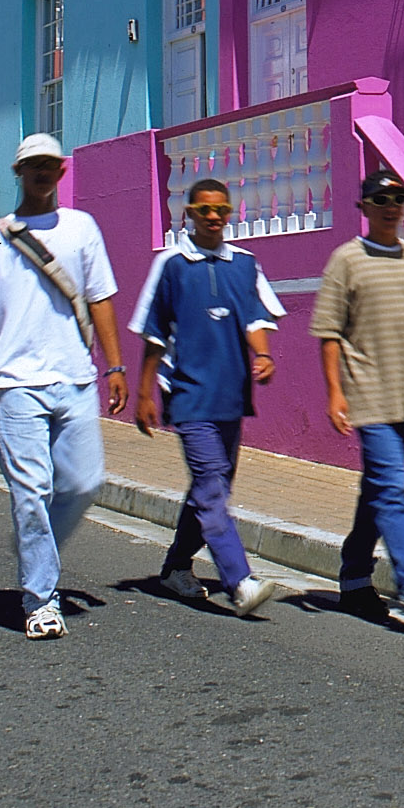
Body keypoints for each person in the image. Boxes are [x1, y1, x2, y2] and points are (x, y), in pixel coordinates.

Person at [0, 133, 126, 641]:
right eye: (33, 166)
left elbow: (100, 298)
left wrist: (115, 366)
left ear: (61, 171)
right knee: (32, 494)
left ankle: (36, 538)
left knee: (84, 483)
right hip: (15, 383)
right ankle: (41, 599)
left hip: (75, 378)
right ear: (19, 172)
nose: (43, 173)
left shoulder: (81, 228)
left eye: (50, 165)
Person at [313, 166, 404, 630]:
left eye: (398, 200)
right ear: (365, 207)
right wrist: (335, 393)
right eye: (381, 200)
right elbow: (329, 333)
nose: (392, 208)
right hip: (365, 391)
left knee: (377, 489)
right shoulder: (346, 260)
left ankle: (355, 577)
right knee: (393, 486)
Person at [132, 178, 284, 618]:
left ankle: (176, 567)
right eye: (204, 210)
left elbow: (256, 318)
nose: (214, 217)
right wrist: (144, 392)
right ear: (190, 214)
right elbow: (154, 333)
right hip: (188, 395)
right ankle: (240, 581)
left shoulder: (245, 264)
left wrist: (263, 356)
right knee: (211, 486)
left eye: (221, 210)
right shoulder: (172, 265)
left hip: (231, 395)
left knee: (211, 488)